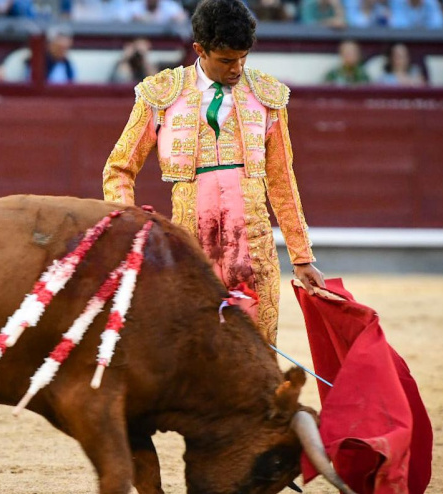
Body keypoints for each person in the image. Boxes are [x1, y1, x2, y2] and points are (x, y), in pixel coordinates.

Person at [102, 0, 324, 345]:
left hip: (253, 246)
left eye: (243, 57)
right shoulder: (163, 94)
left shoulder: (266, 96)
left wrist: (302, 255)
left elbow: (282, 180)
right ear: (199, 50)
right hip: (192, 247)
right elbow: (119, 169)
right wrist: (129, 232)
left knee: (257, 352)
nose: (237, 68)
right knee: (194, 351)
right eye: (226, 60)